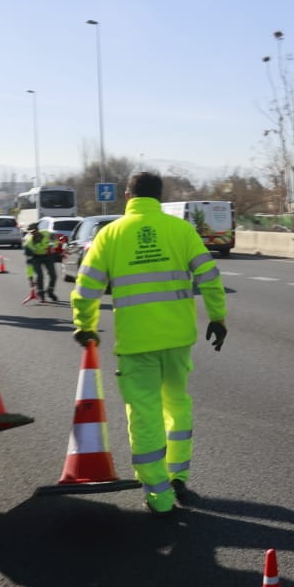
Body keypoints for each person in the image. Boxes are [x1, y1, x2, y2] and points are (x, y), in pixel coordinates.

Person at [71, 171, 227, 515]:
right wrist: (217, 317)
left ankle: (158, 494)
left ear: (128, 196)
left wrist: (85, 325)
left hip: (136, 342)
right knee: (177, 404)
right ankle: (178, 475)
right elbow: (210, 276)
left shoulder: (109, 234)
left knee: (144, 413)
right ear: (159, 196)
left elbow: (87, 287)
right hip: (177, 338)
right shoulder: (181, 230)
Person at [23, 222, 59, 301]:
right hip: (36, 258)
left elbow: (56, 242)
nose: (33, 233)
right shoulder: (28, 243)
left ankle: (50, 291)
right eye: (31, 232)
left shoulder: (47, 233)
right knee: (40, 276)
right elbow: (29, 262)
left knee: (53, 276)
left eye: (34, 231)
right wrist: (30, 277)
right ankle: (40, 293)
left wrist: (53, 246)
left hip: (48, 256)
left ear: (38, 230)